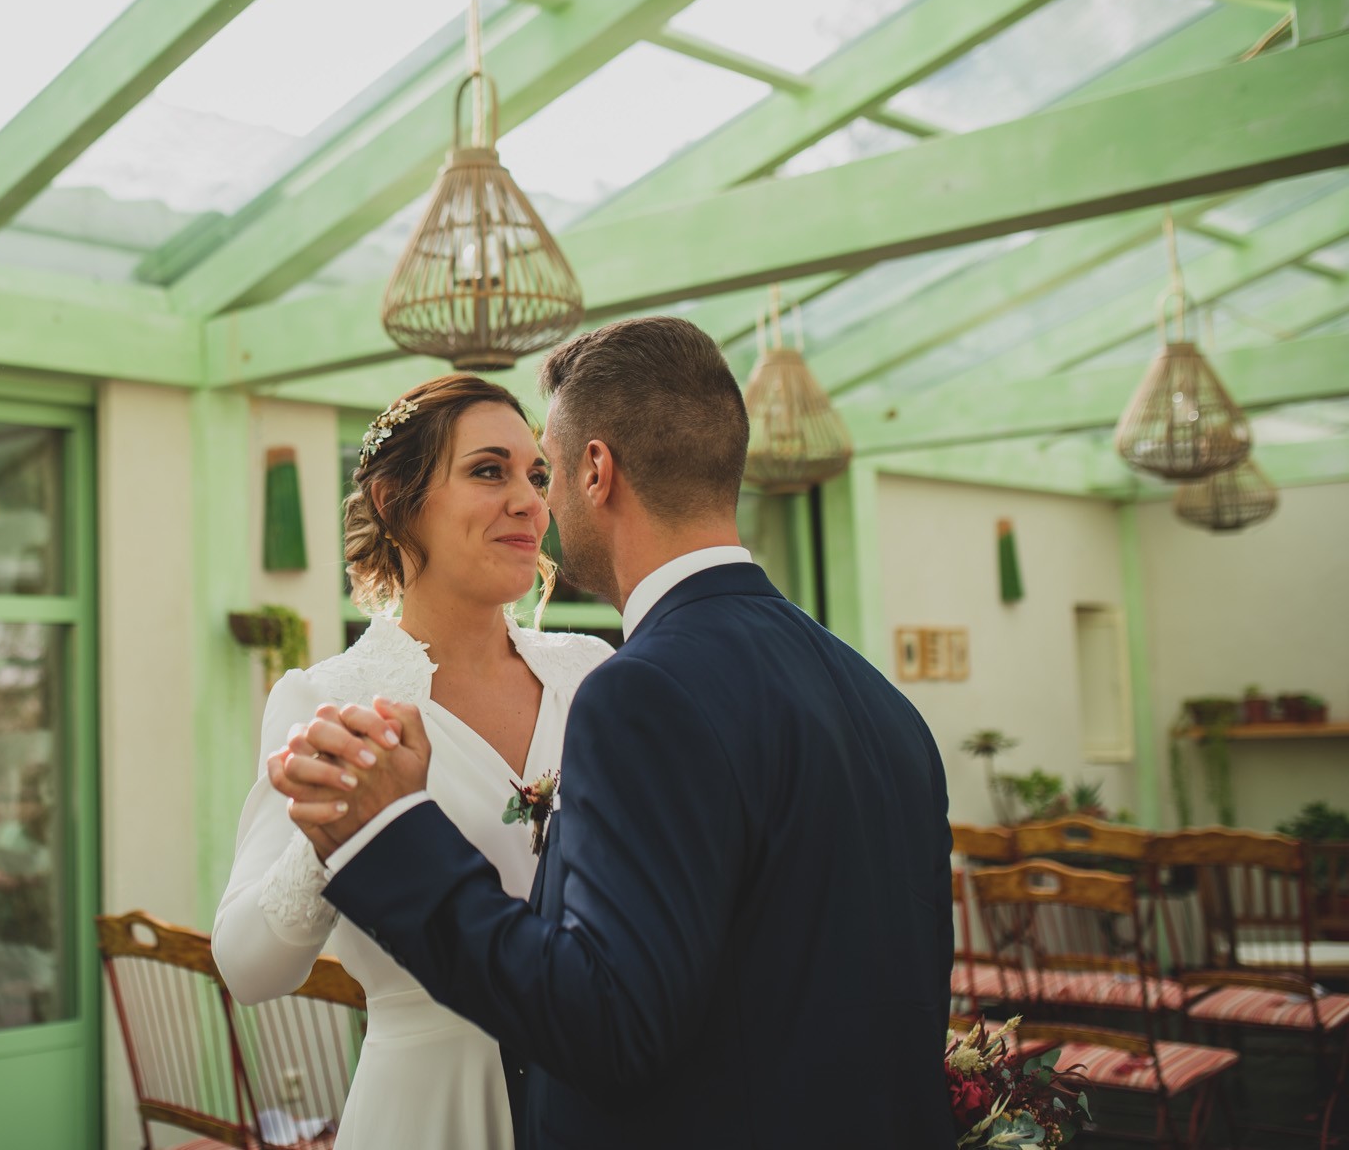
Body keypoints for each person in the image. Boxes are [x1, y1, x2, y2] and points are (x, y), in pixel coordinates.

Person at [273, 316, 954, 1150]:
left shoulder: (637, 692)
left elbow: (611, 1023)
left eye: (546, 471)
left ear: (596, 470)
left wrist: (393, 836)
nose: (539, 503)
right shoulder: (882, 703)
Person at [212, 373, 614, 1149]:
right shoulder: (330, 701)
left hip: (598, 1097)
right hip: (428, 1109)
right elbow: (248, 969)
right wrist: (343, 828)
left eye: (537, 474)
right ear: (400, 500)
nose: (530, 501)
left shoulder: (593, 674)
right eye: (488, 470)